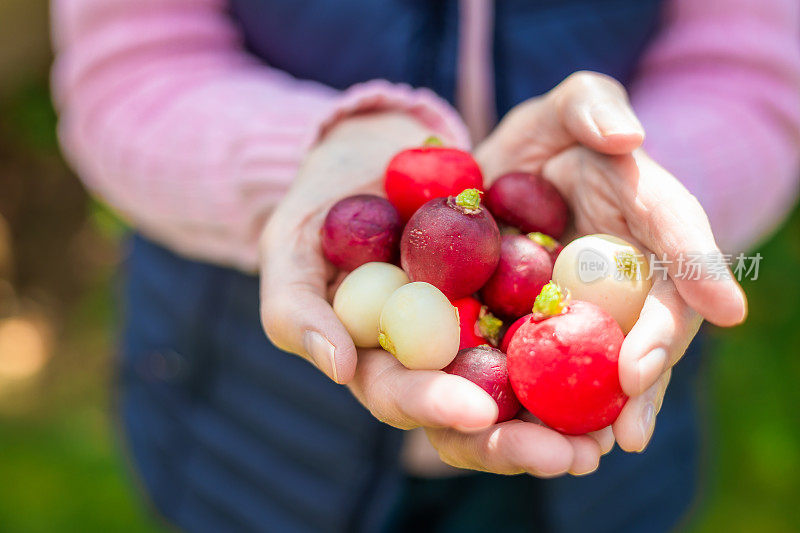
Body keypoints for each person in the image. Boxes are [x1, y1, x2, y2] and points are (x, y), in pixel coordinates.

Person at [50, 0, 800, 531]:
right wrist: (312, 155)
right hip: (248, 423)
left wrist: (645, 189)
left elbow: (757, 81)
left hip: (590, 453)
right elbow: (130, 73)